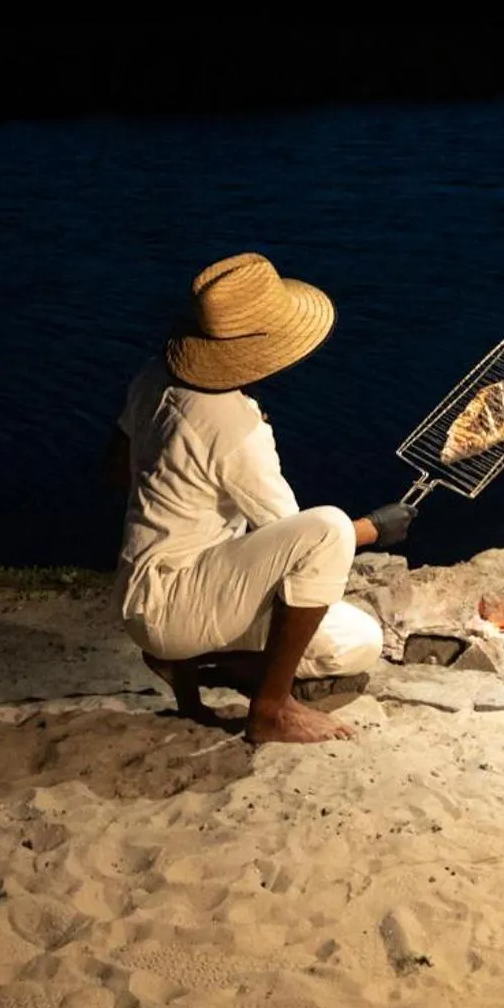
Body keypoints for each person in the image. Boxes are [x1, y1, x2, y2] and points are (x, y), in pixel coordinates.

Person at [103, 251, 413, 745]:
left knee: (354, 634)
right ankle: (270, 708)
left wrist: (183, 489)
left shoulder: (154, 375)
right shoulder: (235, 424)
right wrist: (375, 527)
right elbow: (302, 536)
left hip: (138, 590)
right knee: (334, 544)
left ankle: (187, 659)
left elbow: (117, 470)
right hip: (179, 604)